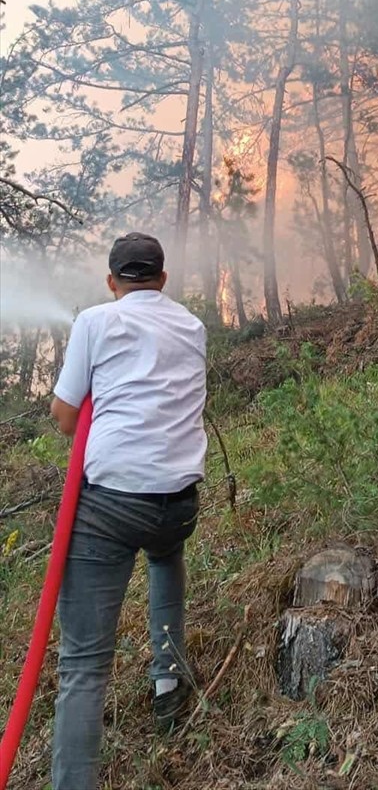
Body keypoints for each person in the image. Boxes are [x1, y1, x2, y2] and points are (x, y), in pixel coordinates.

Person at [49, 232, 207, 790]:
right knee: (165, 555)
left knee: (83, 665)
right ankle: (167, 680)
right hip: (179, 502)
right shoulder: (192, 325)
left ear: (113, 282)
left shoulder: (95, 321)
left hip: (111, 507)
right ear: (162, 279)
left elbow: (67, 418)